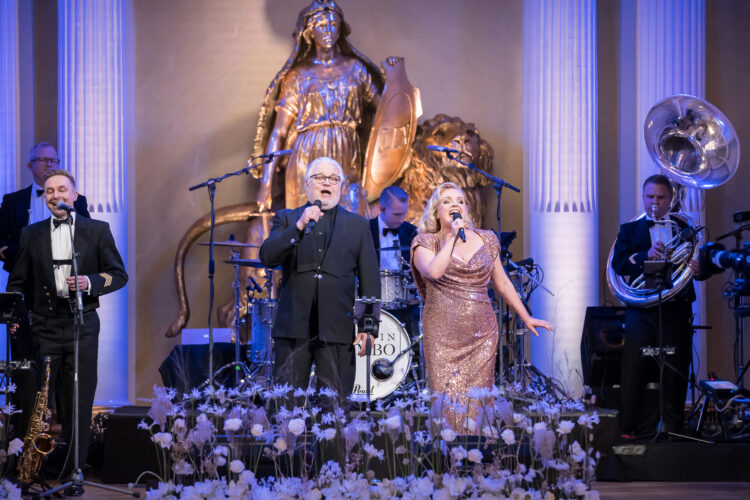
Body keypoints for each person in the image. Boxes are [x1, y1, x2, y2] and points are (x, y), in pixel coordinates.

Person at [7, 169, 127, 472]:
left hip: (82, 324)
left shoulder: (97, 230)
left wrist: (91, 282)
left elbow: (119, 274)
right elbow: (17, 284)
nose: (55, 195)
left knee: (78, 398)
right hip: (44, 325)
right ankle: (28, 468)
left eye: (61, 189)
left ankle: (73, 470)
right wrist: (16, 318)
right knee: (37, 400)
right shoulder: (30, 234)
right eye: (49, 191)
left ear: (74, 195)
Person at [411, 182, 551, 431]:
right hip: (442, 334)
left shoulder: (487, 239)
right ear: (436, 211)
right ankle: (448, 462)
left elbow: (504, 283)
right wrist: (452, 238)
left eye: (460, 201)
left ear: (467, 209)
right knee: (448, 402)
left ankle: (477, 460)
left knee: (477, 403)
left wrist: (526, 317)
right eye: (447, 201)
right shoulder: (425, 242)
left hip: (482, 333)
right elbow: (434, 271)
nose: (455, 205)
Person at [259, 157, 379, 401]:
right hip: (293, 328)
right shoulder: (287, 218)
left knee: (334, 412)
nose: (328, 183)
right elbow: (268, 257)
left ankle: (331, 442)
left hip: (337, 330)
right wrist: (300, 226)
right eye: (320, 177)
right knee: (286, 408)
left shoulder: (358, 225)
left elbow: (370, 279)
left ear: (340, 186)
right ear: (306, 184)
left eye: (334, 179)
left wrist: (369, 326)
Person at [252, 0, 386, 216]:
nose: (329, 31)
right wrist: (265, 185)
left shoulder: (355, 69)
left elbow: (384, 112)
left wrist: (393, 83)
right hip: (306, 155)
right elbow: (279, 131)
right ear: (309, 32)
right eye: (321, 25)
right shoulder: (298, 76)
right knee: (307, 229)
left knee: (348, 225)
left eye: (334, 25)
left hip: (346, 153)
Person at [0, 143, 89, 440]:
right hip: (27, 297)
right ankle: (23, 435)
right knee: (27, 370)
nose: (49, 164)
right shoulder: (12, 201)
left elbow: (88, 242)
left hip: (65, 301)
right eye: (43, 160)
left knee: (67, 375)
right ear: (30, 166)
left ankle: (66, 440)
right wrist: (27, 257)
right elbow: (2, 246)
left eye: (54, 160)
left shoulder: (79, 201)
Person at [612, 174, 700, 436]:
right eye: (650, 197)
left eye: (661, 197)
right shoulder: (629, 230)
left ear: (670, 199)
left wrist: (699, 266)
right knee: (635, 367)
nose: (655, 202)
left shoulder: (686, 228)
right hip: (641, 311)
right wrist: (643, 256)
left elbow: (700, 264)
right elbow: (619, 264)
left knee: (676, 366)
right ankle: (632, 427)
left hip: (675, 308)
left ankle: (674, 426)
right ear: (643, 197)